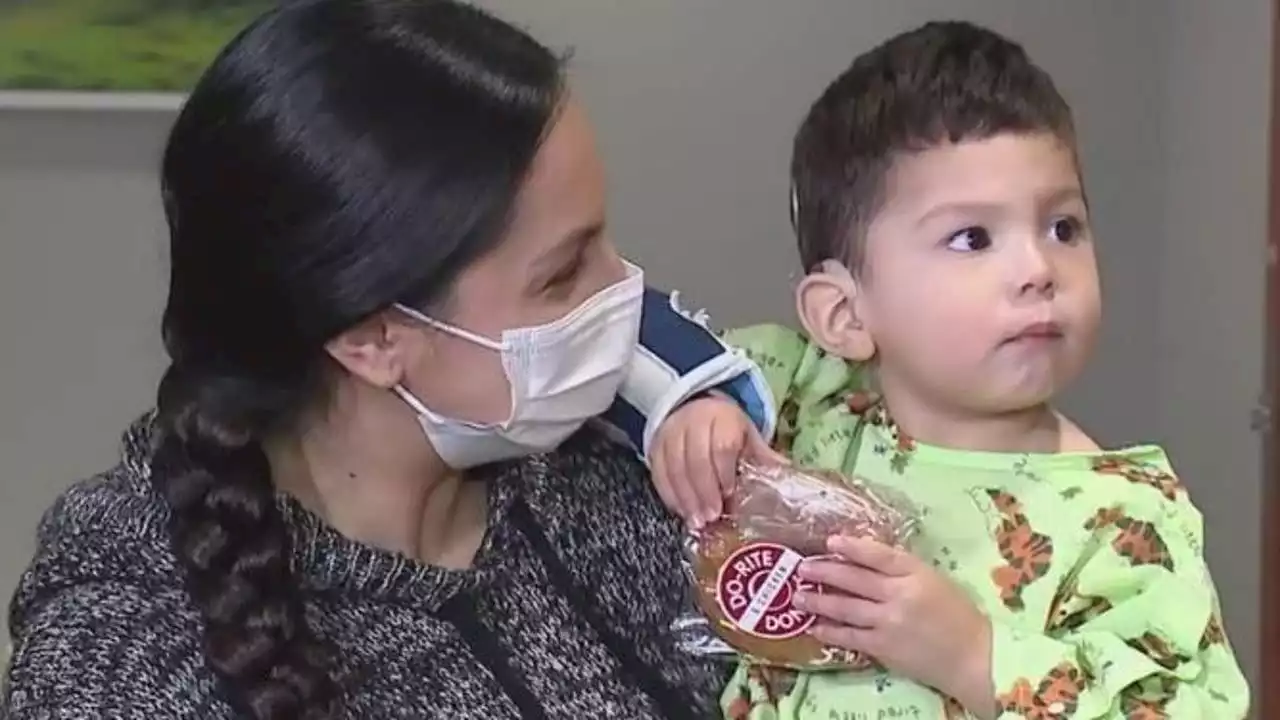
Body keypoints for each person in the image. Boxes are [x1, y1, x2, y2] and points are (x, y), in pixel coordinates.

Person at [0, 1, 780, 718]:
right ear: (371, 340)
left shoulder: (625, 480)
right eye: (563, 273)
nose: (625, 292)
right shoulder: (124, 658)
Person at [684, 21, 1251, 720]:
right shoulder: (805, 397)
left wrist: (974, 658)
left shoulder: (1127, 517)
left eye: (1062, 227)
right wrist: (696, 409)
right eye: (972, 238)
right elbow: (669, 359)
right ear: (845, 317)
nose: (1038, 270)